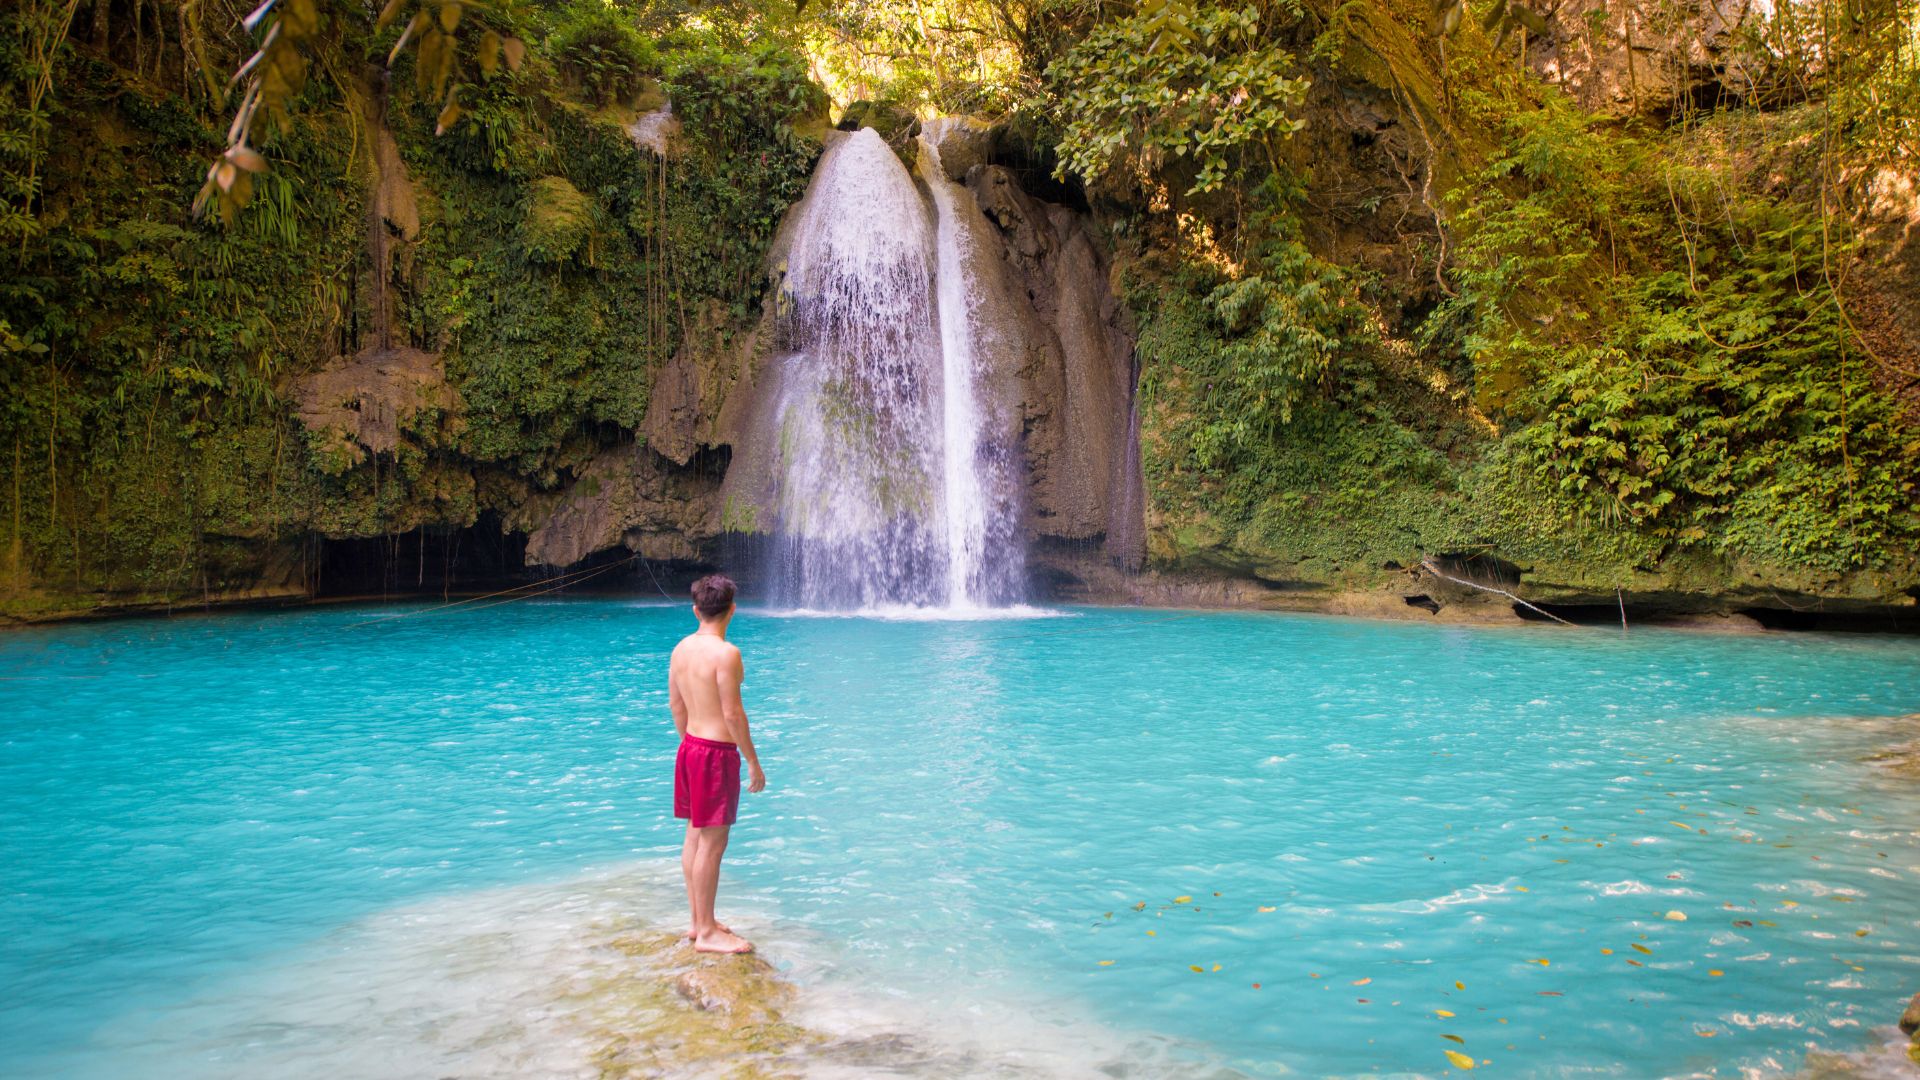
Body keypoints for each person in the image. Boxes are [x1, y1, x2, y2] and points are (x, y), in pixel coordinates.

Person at [668, 573, 766, 954]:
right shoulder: (727, 654)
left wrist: (688, 744)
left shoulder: (680, 649)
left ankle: (698, 920)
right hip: (715, 753)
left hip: (690, 746)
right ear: (732, 610)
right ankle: (708, 933)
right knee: (713, 843)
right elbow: (732, 714)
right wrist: (752, 761)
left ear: (696, 610)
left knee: (694, 834)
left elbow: (676, 704)